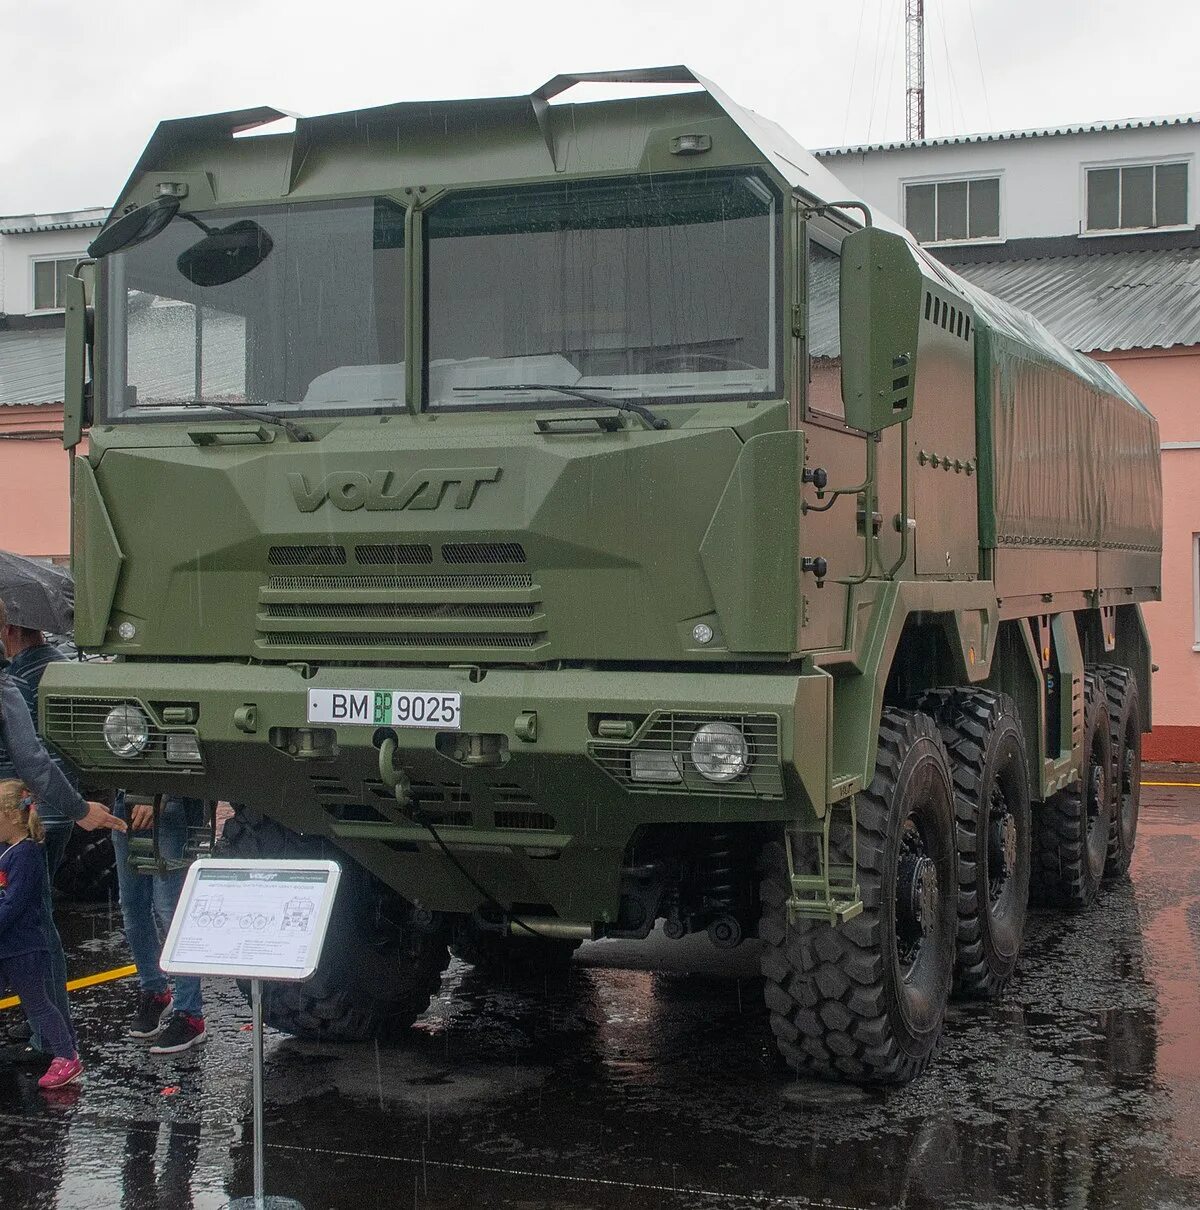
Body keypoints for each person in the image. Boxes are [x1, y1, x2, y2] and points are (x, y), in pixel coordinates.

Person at [0, 780, 83, 1088]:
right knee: (36, 1002)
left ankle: (67, 1056)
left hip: (24, 947)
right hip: (7, 945)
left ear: (9, 815)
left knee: (38, 1003)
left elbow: (14, 903)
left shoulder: (26, 855)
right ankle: (64, 1053)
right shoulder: (7, 850)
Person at [112, 795, 208, 1054]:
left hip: (169, 799)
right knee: (133, 905)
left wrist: (157, 792)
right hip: (125, 798)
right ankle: (154, 991)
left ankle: (190, 1014)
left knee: (171, 910)